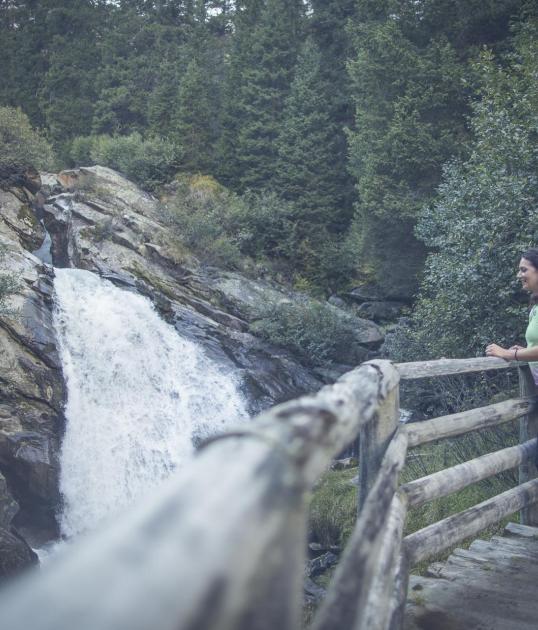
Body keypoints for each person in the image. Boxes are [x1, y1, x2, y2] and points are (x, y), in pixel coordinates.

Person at [485, 248, 538, 383]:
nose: (519, 275)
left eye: (524, 270)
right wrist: (527, 351)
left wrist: (508, 354)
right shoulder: (535, 308)